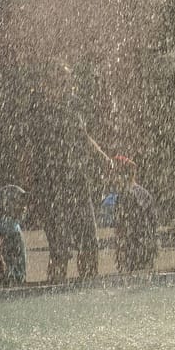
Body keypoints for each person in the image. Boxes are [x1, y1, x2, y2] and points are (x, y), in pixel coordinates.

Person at [31, 65, 112, 283]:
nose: (66, 87)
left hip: (77, 179)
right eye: (60, 82)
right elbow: (27, 149)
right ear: (46, 84)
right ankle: (56, 291)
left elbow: (83, 136)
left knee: (89, 239)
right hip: (50, 183)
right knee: (60, 246)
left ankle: (89, 288)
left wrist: (103, 158)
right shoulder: (38, 109)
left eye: (68, 82)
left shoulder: (74, 105)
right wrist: (31, 187)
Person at [110, 155, 159, 274]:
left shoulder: (130, 195)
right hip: (139, 245)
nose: (114, 179)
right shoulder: (137, 194)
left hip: (136, 246)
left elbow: (122, 225)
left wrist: (120, 247)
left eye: (116, 175)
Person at [0, 183, 29, 288]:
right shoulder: (6, 223)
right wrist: (0, 259)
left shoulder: (14, 223)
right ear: (9, 204)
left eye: (25, 204)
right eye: (21, 204)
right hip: (6, 276)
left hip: (14, 274)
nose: (24, 208)